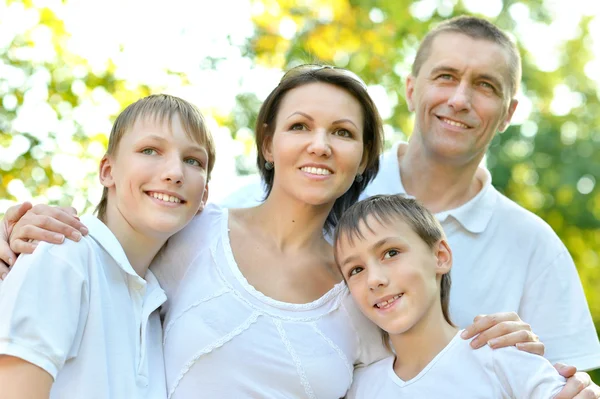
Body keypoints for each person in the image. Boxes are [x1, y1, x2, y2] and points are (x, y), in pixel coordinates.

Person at [0, 65, 564, 398]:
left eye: (343, 132)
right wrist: (14, 236)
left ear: (363, 154)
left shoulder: (362, 288)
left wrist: (516, 364)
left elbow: (421, 368)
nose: (320, 144)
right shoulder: (191, 235)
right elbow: (108, 249)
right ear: (269, 144)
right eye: (300, 126)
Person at [218, 15, 600, 373]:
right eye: (446, 76)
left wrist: (551, 373)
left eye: (485, 85)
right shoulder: (326, 185)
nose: (460, 100)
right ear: (412, 90)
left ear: (508, 113)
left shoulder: (534, 247)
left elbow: (565, 380)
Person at [0, 94, 215, 399]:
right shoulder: (65, 252)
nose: (175, 173)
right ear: (107, 171)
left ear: (204, 196)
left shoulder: (160, 308)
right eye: (150, 150)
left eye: (193, 160)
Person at [336, 194, 568, 398]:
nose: (374, 279)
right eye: (356, 270)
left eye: (391, 253)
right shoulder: (360, 388)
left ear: (440, 256)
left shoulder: (503, 359)